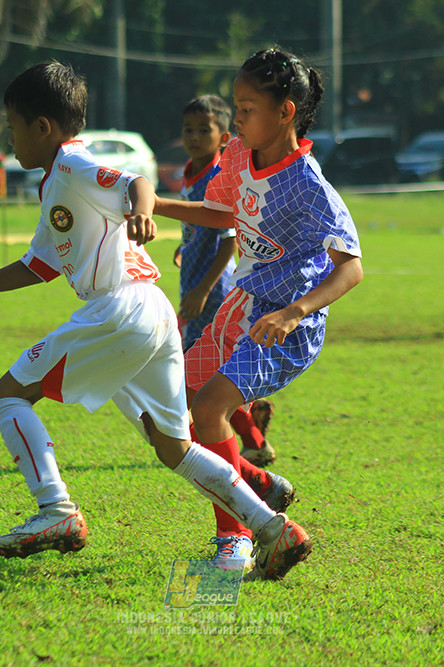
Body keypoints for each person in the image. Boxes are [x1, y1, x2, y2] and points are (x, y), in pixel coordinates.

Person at [0, 61, 312, 580]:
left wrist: (143, 211)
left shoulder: (72, 166)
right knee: (174, 448)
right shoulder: (57, 183)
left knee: (7, 394)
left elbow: (136, 182)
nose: (10, 140)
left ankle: (56, 510)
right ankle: (273, 528)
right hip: (150, 312)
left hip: (120, 309)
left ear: (42, 127)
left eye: (13, 127)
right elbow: (39, 264)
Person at [154, 48, 364, 570]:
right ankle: (256, 483)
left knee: (209, 410)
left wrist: (294, 312)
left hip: (283, 326)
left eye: (246, 109)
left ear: (285, 112)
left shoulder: (309, 185)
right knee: (168, 415)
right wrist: (156, 204)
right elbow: (221, 211)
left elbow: (351, 268)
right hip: (239, 308)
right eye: (236, 107)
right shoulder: (238, 157)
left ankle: (237, 536)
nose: (237, 121)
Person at [172, 94, 278, 470]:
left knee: (202, 372)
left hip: (213, 291)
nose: (194, 137)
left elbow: (230, 238)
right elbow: (199, 228)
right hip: (197, 284)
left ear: (223, 137)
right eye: (189, 130)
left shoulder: (217, 177)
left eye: (204, 130)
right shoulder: (190, 173)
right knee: (210, 371)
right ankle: (251, 430)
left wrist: (202, 290)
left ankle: (247, 441)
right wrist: (185, 246)